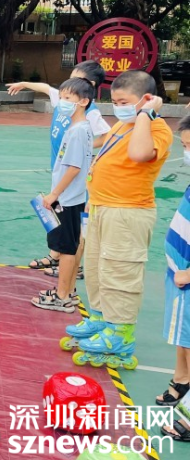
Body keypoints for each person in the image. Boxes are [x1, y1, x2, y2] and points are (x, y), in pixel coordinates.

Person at [69, 71, 172, 369]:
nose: (118, 107)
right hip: (102, 208)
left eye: (124, 102)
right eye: (114, 101)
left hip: (127, 211)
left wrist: (146, 115)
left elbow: (139, 154)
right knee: (97, 269)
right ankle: (102, 319)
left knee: (120, 270)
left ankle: (121, 333)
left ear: (146, 99)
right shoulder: (122, 124)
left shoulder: (156, 128)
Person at [7, 61, 111, 273]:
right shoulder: (66, 97)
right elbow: (46, 88)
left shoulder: (89, 113)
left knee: (76, 220)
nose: (69, 83)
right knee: (60, 214)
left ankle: (73, 266)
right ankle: (56, 256)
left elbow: (107, 136)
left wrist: (84, 147)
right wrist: (24, 84)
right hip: (61, 168)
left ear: (88, 87)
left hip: (74, 173)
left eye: (76, 79)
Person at [29, 78, 96, 313]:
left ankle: (62, 297)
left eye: (68, 98)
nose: (63, 102)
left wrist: (54, 194)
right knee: (69, 246)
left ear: (84, 101)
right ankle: (67, 291)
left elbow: (74, 167)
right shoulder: (82, 128)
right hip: (74, 197)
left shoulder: (77, 132)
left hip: (66, 199)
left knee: (66, 249)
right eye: (62, 97)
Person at [155, 115, 190, 412]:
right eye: (185, 145)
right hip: (179, 274)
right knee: (184, 336)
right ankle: (183, 378)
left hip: (186, 276)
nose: (186, 152)